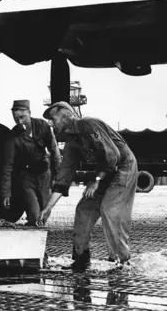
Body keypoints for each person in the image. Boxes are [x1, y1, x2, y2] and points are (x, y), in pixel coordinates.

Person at [39, 101, 138, 271]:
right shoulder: (71, 143)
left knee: (110, 210)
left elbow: (113, 156)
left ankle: (123, 261)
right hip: (105, 173)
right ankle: (81, 259)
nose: (52, 124)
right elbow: (64, 176)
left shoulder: (88, 124)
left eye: (53, 120)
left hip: (123, 168)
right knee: (84, 210)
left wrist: (96, 180)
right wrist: (48, 208)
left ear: (65, 118)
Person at [1, 99, 61, 225]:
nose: (19, 121)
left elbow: (54, 151)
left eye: (22, 117)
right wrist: (6, 193)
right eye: (16, 118)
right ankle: (33, 226)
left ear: (29, 113)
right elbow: (8, 167)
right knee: (34, 214)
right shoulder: (13, 136)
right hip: (26, 178)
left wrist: (57, 177)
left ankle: (35, 229)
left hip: (44, 175)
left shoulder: (42, 126)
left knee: (45, 210)